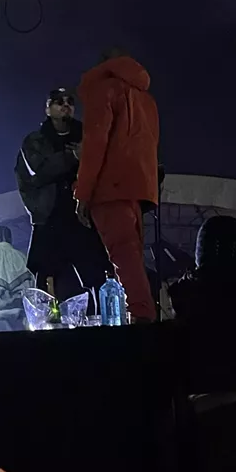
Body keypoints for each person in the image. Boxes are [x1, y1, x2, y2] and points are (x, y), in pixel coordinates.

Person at [73, 49, 160, 323]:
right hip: (137, 190)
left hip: (110, 189)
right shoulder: (145, 98)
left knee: (124, 261)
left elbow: (94, 145)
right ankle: (144, 320)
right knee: (133, 260)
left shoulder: (104, 90)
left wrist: (82, 193)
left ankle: (141, 327)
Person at [14, 88, 110, 307]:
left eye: (69, 101)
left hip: (83, 219)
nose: (65, 105)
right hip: (50, 219)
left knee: (96, 275)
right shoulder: (35, 141)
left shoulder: (87, 136)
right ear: (47, 109)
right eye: (58, 101)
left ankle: (101, 325)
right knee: (46, 279)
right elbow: (37, 172)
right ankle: (45, 330)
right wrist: (73, 156)